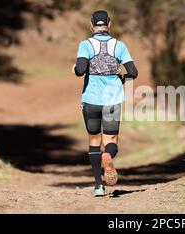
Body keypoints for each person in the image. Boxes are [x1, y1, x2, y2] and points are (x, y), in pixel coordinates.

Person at [72, 10, 138, 197]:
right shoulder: (119, 46)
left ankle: (99, 186)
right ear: (109, 23)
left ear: (91, 24)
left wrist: (75, 68)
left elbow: (80, 70)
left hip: (91, 101)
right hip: (112, 100)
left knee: (94, 141)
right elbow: (133, 71)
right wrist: (121, 79)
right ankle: (107, 156)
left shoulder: (85, 45)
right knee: (111, 142)